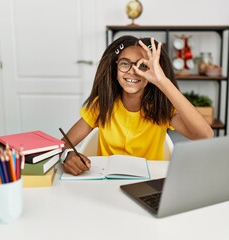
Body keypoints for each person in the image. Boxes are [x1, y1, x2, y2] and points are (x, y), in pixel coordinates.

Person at [61, 35, 214, 176]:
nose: (132, 72)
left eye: (142, 66)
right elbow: (63, 145)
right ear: (115, 68)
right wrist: (69, 155)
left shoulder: (162, 109)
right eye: (124, 64)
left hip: (147, 183)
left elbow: (205, 135)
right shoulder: (102, 105)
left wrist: (162, 81)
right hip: (106, 184)